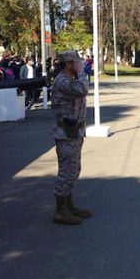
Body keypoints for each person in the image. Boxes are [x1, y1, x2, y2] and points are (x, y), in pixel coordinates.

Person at [51, 50, 91, 225]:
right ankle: (60, 210)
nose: (79, 64)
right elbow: (83, 90)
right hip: (66, 134)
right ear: (68, 64)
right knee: (67, 172)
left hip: (74, 133)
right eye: (76, 62)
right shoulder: (63, 81)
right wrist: (81, 71)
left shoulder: (70, 80)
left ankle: (68, 205)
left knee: (73, 170)